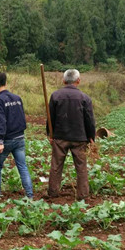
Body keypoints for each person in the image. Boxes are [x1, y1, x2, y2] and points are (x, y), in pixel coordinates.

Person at [47, 69, 96, 200]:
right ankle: (83, 195)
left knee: (56, 165)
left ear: (64, 81)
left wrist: (50, 134)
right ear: (78, 81)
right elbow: (89, 119)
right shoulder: (85, 98)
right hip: (80, 138)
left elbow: (50, 117)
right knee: (81, 167)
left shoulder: (55, 95)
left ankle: (53, 192)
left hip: (60, 137)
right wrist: (91, 136)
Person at [0, 72, 33, 199]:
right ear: (5, 82)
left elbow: (0, 122)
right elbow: (21, 118)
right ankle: (30, 195)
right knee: (22, 167)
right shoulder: (17, 98)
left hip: (7, 140)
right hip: (20, 138)